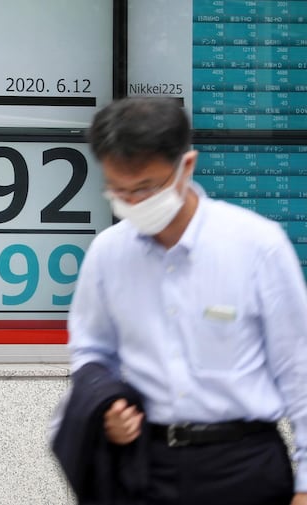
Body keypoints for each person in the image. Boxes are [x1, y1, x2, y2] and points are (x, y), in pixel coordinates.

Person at [66, 96, 307, 505]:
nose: (133, 203)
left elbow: (300, 372)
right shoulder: (107, 254)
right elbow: (91, 350)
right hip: (146, 466)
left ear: (187, 166)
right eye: (119, 191)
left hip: (243, 466)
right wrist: (107, 409)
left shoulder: (257, 247)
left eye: (146, 187)